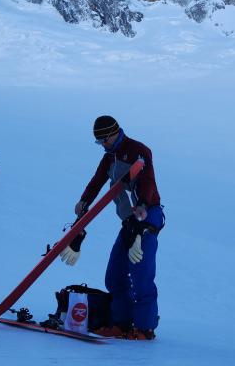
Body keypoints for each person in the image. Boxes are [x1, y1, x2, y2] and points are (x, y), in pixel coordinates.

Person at [60, 115, 164, 340]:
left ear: (114, 133)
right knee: (114, 275)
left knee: (141, 275)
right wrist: (84, 201)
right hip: (128, 222)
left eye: (104, 140)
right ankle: (122, 323)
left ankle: (145, 328)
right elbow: (96, 181)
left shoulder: (138, 150)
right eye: (98, 142)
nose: (102, 145)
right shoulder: (110, 158)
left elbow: (147, 180)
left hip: (147, 217)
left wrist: (143, 205)